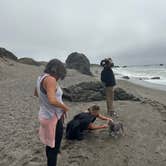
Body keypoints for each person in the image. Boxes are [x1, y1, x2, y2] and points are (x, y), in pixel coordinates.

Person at [34, 59, 69, 166]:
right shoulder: (50, 80)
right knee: (53, 148)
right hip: (51, 118)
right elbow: (52, 100)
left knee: (50, 145)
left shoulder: (41, 77)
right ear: (56, 71)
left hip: (45, 115)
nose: (59, 78)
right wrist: (64, 107)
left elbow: (36, 93)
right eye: (60, 75)